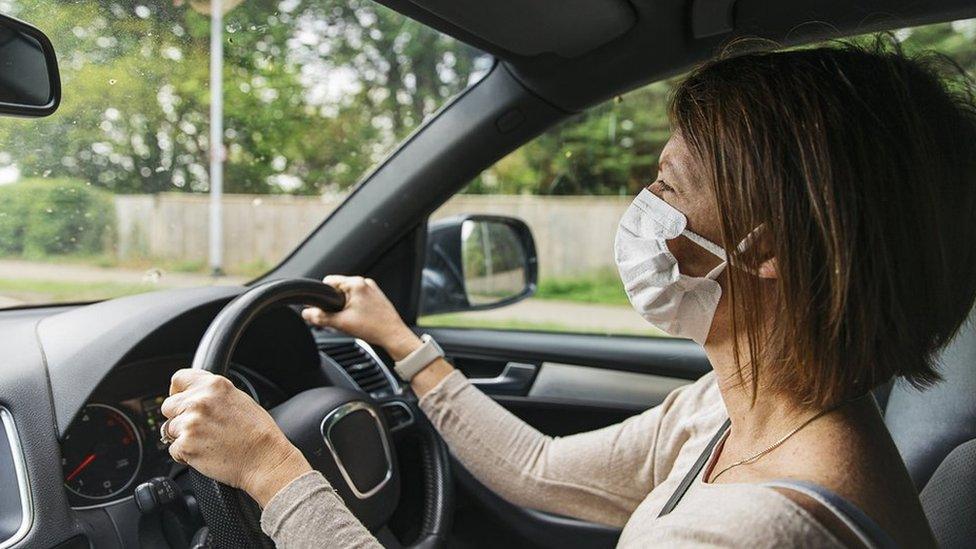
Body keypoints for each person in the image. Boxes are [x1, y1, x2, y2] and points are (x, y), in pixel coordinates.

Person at [159, 39, 976, 548]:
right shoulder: (741, 405)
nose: (642, 209)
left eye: (667, 185)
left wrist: (272, 470)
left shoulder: (757, 531)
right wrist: (405, 344)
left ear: (761, 253)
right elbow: (543, 468)